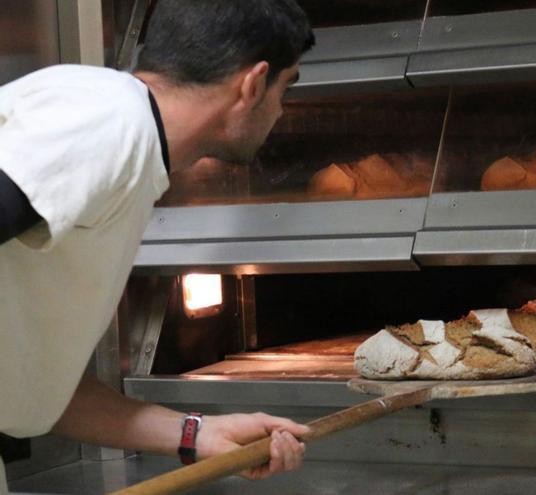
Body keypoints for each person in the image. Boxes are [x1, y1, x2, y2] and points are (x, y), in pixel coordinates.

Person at [0, 0, 316, 491]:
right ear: (253, 84)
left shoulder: (120, 131)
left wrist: (198, 434)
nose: (280, 110)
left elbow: (30, 394)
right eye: (285, 87)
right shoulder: (109, 125)